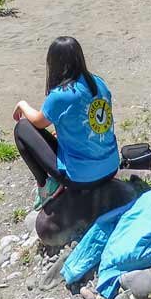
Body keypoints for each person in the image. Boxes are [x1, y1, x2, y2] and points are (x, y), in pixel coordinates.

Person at [12, 36, 120, 209]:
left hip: (83, 178)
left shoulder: (61, 94)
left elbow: (38, 122)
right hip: (112, 166)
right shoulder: (98, 82)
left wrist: (22, 104)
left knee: (22, 128)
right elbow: (93, 123)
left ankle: (46, 186)